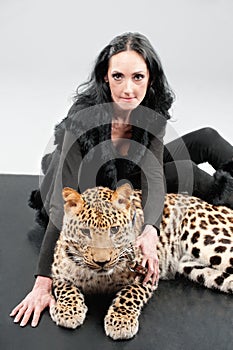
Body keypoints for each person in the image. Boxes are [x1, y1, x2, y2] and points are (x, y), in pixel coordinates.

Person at [10, 32, 233, 328]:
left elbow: (153, 174)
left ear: (150, 79)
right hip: (89, 188)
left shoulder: (150, 111)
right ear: (105, 78)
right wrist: (43, 281)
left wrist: (151, 231)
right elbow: (59, 204)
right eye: (118, 76)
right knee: (193, 176)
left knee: (206, 139)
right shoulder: (81, 119)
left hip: (130, 176)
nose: (128, 89)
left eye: (138, 77)